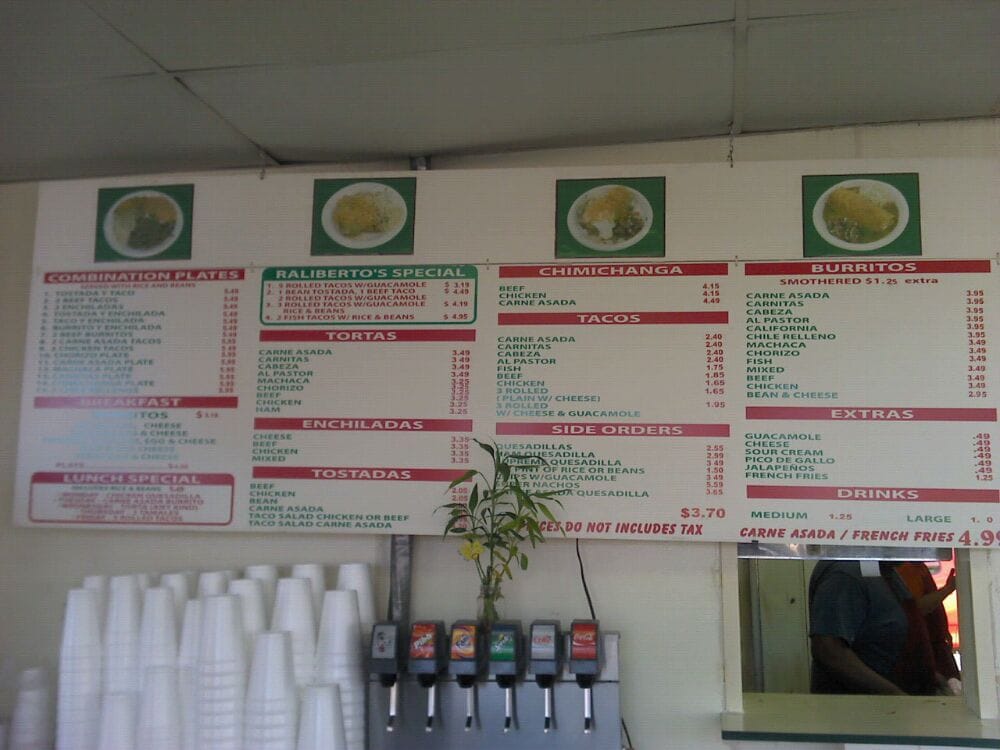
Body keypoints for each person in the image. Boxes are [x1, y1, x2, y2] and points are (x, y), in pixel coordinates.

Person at [809, 560, 937, 695]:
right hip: (861, 705)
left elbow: (890, 625)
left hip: (902, 700)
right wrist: (896, 696)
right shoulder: (845, 573)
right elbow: (828, 649)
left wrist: (929, 675)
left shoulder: (879, 568)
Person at [897, 561, 961, 693]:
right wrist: (948, 589)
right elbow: (917, 608)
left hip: (935, 646)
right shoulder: (906, 568)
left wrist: (943, 630)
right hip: (924, 648)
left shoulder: (917, 566)